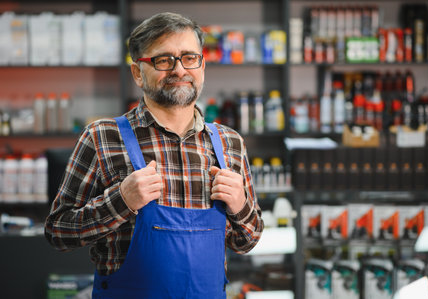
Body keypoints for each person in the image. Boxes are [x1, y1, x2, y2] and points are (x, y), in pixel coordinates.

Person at [45, 12, 264, 298]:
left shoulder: (229, 143)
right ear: (138, 72)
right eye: (163, 60)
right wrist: (120, 201)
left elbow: (248, 241)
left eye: (189, 57)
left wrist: (240, 206)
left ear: (202, 65)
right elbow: (58, 232)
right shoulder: (101, 137)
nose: (179, 70)